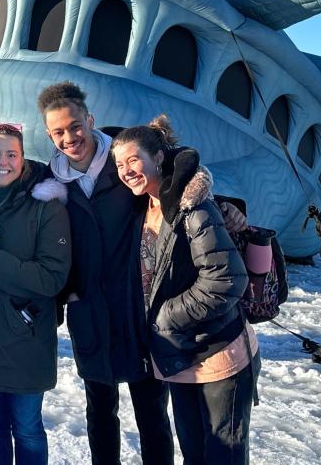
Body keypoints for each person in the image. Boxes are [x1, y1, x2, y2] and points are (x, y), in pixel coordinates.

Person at [35, 82, 171, 464]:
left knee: (152, 413)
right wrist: (67, 295)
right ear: (49, 135)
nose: (70, 137)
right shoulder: (51, 183)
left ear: (90, 120)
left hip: (137, 306)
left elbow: (180, 167)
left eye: (75, 126)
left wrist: (229, 206)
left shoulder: (125, 162)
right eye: (59, 132)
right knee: (100, 411)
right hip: (90, 310)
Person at [111, 116, 257, 465]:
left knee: (223, 454)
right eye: (119, 164)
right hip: (179, 353)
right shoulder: (142, 206)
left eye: (134, 159)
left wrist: (163, 318)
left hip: (218, 350)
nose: (127, 170)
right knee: (193, 452)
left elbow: (226, 280)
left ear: (159, 157)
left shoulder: (194, 207)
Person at [0, 123, 70, 465]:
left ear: (23, 159)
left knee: (27, 428)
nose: (1, 162)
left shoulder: (46, 206)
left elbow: (53, 277)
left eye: (11, 154)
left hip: (25, 338)